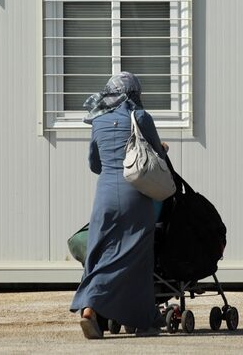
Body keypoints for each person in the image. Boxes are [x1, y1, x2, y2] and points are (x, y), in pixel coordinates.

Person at [70, 72, 166, 339]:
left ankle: (91, 311)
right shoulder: (141, 117)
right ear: (135, 93)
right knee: (134, 259)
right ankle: (144, 321)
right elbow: (155, 154)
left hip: (104, 198)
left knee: (99, 253)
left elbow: (94, 164)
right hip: (135, 195)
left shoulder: (98, 120)